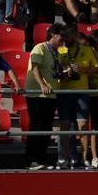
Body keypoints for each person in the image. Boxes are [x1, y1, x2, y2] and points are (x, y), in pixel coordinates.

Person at [23, 23, 65, 170]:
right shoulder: (40, 47)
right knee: (36, 127)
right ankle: (31, 160)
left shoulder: (57, 52)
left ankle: (41, 159)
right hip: (37, 94)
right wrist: (42, 84)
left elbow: (56, 72)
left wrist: (66, 73)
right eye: (62, 36)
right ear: (53, 35)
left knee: (46, 128)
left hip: (50, 95)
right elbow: (35, 66)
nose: (63, 39)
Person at [57, 26, 95, 169]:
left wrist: (83, 69)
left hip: (81, 92)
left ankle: (85, 159)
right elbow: (56, 68)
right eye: (65, 36)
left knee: (83, 126)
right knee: (65, 127)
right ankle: (65, 159)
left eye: (70, 36)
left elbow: (97, 68)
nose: (67, 39)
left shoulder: (86, 49)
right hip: (64, 93)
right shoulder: (60, 50)